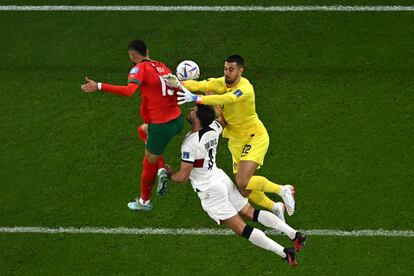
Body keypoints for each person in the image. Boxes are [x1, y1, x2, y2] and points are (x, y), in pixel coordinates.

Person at [166, 104, 306, 266]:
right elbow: (222, 119)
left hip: (209, 189)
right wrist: (211, 98)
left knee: (242, 228)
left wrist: (169, 173)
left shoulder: (190, 143)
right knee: (249, 211)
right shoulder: (213, 129)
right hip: (220, 178)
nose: (190, 110)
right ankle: (294, 234)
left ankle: (284, 252)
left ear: (198, 118)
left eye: (193, 110)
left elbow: (182, 177)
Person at [163, 55, 295, 217]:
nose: (227, 73)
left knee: (242, 180)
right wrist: (178, 83)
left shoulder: (245, 88)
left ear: (241, 70)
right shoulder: (222, 82)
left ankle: (283, 189)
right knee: (244, 189)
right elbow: (201, 84)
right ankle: (275, 207)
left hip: (254, 137)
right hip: (235, 140)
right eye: (225, 69)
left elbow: (229, 98)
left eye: (231, 69)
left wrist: (198, 98)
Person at [81, 39, 184, 211]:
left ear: (132, 55)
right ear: (147, 51)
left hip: (162, 127)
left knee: (147, 163)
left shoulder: (139, 68)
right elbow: (175, 90)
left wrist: (99, 86)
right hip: (177, 120)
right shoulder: (162, 66)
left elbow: (129, 91)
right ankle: (161, 170)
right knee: (142, 130)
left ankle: (144, 202)